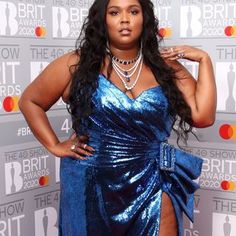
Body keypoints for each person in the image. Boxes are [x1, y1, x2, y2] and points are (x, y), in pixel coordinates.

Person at [19, 0, 216, 235]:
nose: (125, 19)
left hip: (152, 180)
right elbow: (30, 101)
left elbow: (203, 117)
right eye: (114, 12)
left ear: (145, 18)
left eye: (133, 11)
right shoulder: (77, 64)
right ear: (103, 19)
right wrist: (54, 145)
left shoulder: (167, 68)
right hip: (89, 184)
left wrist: (205, 60)